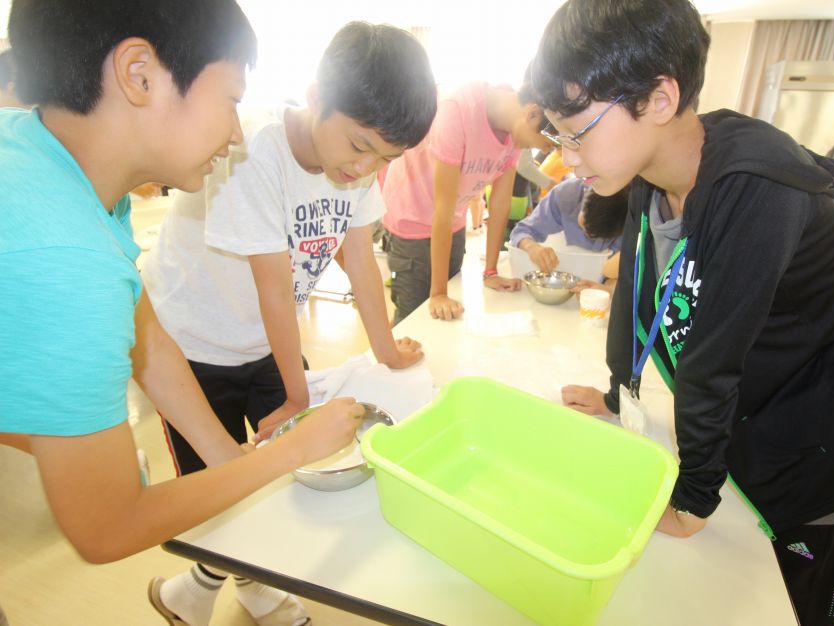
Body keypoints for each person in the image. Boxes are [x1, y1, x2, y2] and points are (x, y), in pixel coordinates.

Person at [531, 1, 834, 624]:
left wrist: (694, 497)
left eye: (576, 131)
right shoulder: (649, 173)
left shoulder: (757, 192)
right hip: (768, 413)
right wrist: (619, 392)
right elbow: (638, 291)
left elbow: (712, 361)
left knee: (787, 604)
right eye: (557, 133)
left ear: (659, 99)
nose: (567, 154)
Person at [0, 0, 362, 573]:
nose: (238, 134)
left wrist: (226, 458)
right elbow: (107, 527)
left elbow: (148, 336)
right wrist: (290, 452)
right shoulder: (67, 260)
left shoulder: (56, 164)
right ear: (139, 74)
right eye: (232, 100)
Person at [140, 21, 437, 626]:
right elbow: (274, 290)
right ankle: (224, 589)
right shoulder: (256, 149)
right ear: (316, 96)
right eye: (359, 146)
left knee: (291, 470)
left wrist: (385, 350)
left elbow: (360, 257)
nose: (366, 167)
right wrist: (298, 395)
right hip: (193, 349)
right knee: (219, 487)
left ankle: (210, 592)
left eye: (386, 158)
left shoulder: (356, 165)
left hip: (263, 344)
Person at [381, 80, 555, 323]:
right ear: (533, 113)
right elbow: (442, 207)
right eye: (547, 144)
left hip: (452, 224)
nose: (544, 151)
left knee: (446, 314)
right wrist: (438, 293)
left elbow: (500, 203)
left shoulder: (514, 132)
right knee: (413, 316)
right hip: (410, 220)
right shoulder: (458, 108)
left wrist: (491, 271)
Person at [509, 177, 623, 273]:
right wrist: (532, 247)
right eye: (583, 225)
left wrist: (608, 286)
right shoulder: (565, 195)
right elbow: (521, 230)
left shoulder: (631, 214)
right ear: (584, 194)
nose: (587, 235)